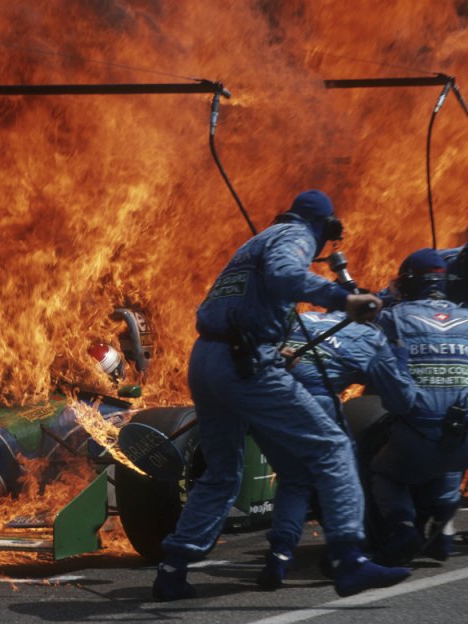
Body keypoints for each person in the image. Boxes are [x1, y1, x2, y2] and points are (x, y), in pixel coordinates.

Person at [152, 189, 411, 601]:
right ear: (324, 227)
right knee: (332, 447)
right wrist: (344, 298)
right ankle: (350, 561)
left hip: (207, 358)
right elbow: (285, 276)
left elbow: (251, 299)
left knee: (221, 474)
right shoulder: (295, 237)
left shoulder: (251, 245)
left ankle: (172, 569)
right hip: (243, 362)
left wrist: (277, 345)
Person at [250, 310, 419, 589]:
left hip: (263, 402)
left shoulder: (304, 318)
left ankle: (278, 558)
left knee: (295, 481)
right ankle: (350, 556)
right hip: (313, 406)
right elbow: (401, 400)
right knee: (344, 475)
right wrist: (398, 358)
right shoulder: (368, 336)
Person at [370, 248, 468, 565]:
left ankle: (402, 529)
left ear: (410, 282)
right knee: (449, 457)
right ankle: (444, 529)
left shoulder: (392, 318)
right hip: (463, 438)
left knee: (384, 472)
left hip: (417, 437)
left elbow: (391, 387)